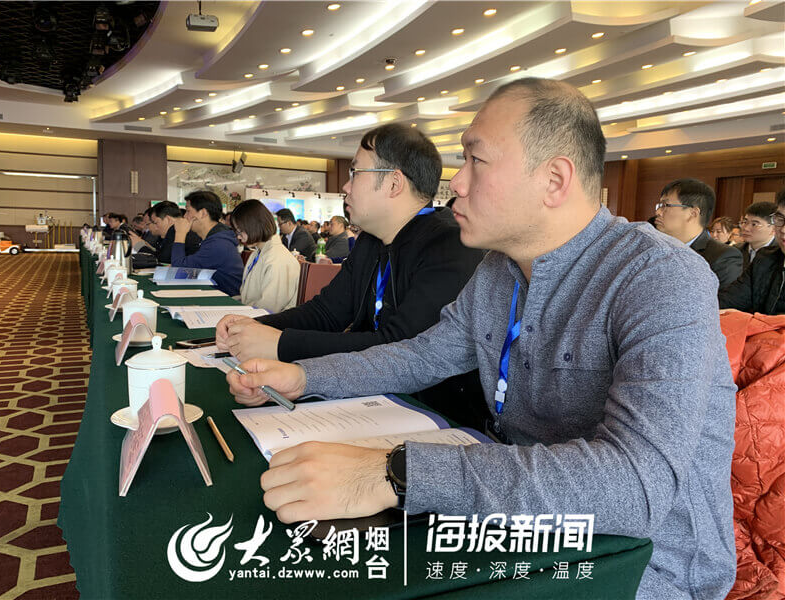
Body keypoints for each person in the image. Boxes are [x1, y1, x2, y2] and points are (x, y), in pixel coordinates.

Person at [227, 78, 736, 600]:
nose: (457, 182)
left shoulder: (660, 277)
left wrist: (395, 472)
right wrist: (304, 377)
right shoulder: (498, 270)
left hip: (639, 563)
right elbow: (421, 355)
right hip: (518, 522)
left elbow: (636, 486)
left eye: (476, 160)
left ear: (554, 180)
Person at [217, 122, 486, 429]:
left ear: (394, 183)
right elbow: (327, 312)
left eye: (355, 173)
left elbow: (399, 345)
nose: (346, 186)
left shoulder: (449, 245)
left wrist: (281, 344)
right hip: (367, 400)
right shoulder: (371, 240)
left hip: (432, 415)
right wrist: (255, 327)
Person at [654, 178, 742, 289]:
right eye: (659, 206)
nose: (658, 212)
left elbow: (721, 299)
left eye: (665, 205)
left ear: (693, 213)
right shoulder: (656, 248)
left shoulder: (723, 257)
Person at [719, 190, 785, 314]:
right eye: (780, 219)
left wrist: (751, 319)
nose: (783, 230)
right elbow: (729, 299)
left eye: (755, 224)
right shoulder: (765, 259)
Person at [231, 199, 300, 313]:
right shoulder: (258, 252)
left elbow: (269, 308)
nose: (238, 237)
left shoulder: (277, 259)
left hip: (268, 320)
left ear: (254, 226)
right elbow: (250, 297)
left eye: (240, 231)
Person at [170, 190, 243, 296]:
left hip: (228, 299)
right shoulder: (215, 237)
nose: (185, 216)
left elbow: (178, 269)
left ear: (203, 213)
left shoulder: (218, 243)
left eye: (188, 211)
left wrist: (180, 233)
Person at [737, 201, 777, 269]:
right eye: (745, 222)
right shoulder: (736, 251)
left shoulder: (781, 254)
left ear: (773, 228)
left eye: (754, 224)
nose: (746, 228)